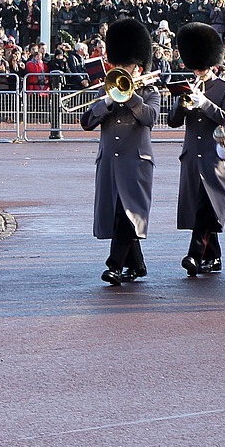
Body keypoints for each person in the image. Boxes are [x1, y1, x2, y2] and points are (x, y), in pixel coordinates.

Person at [80, 18, 159, 286]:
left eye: (127, 67)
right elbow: (86, 122)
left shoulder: (150, 92)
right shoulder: (108, 93)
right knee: (118, 214)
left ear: (138, 67)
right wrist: (107, 101)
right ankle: (136, 265)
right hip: (110, 163)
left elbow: (150, 118)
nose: (122, 71)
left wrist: (131, 96)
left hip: (136, 162)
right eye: (119, 66)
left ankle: (114, 265)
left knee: (129, 214)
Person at [169, 22, 225, 276]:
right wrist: (183, 106)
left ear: (212, 64)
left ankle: (194, 255)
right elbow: (172, 122)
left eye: (202, 66)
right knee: (200, 208)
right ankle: (213, 257)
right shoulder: (189, 86)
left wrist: (205, 103)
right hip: (191, 157)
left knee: (208, 207)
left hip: (214, 156)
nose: (198, 71)